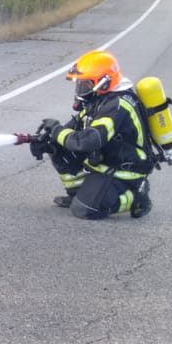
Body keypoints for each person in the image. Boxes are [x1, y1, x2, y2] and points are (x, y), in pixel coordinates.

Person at [29, 50, 155, 220]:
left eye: (86, 84)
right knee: (57, 144)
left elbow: (87, 141)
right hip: (105, 163)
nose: (80, 89)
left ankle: (136, 196)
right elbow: (70, 131)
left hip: (124, 171)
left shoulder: (117, 106)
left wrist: (57, 131)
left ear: (104, 82)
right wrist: (46, 140)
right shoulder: (99, 100)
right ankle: (77, 193)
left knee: (84, 210)